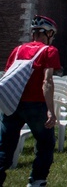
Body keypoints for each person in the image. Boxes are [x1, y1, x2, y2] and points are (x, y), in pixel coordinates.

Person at [0, 15, 61, 187]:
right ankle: (37, 180)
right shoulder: (49, 51)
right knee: (45, 143)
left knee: (5, 146)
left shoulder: (17, 50)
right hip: (36, 104)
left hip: (13, 103)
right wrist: (51, 110)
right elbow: (47, 81)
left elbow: (8, 76)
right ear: (48, 33)